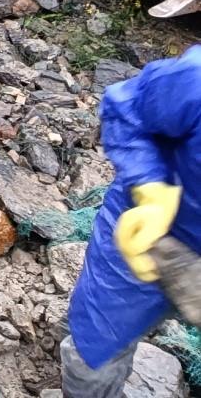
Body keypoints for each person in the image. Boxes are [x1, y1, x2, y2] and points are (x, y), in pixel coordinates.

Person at [61, 48, 200, 397]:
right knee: (94, 352)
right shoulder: (194, 79)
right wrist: (149, 186)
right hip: (149, 235)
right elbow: (128, 106)